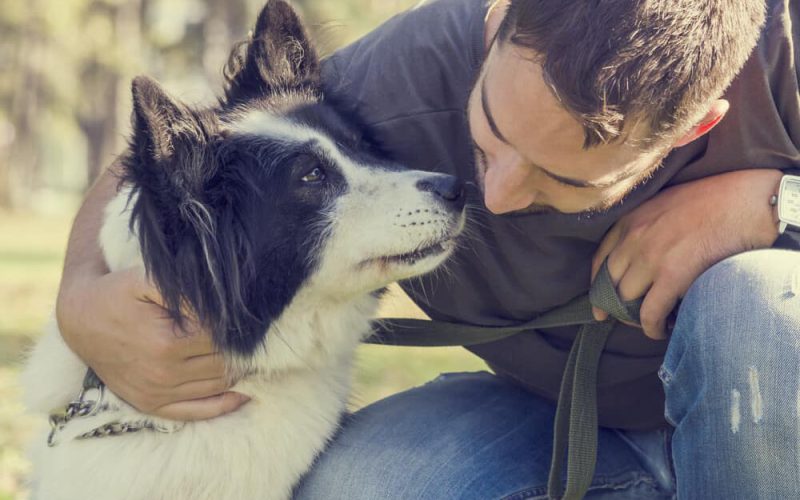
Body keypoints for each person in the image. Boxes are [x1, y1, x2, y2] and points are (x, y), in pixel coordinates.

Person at [56, 0, 800, 497]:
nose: (497, 195)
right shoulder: (405, 69)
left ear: (693, 128)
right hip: (555, 425)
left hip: (774, 424)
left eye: (560, 179)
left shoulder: (785, 56)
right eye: (490, 134)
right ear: (500, 18)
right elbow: (195, 146)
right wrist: (79, 298)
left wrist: (768, 203)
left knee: (755, 305)